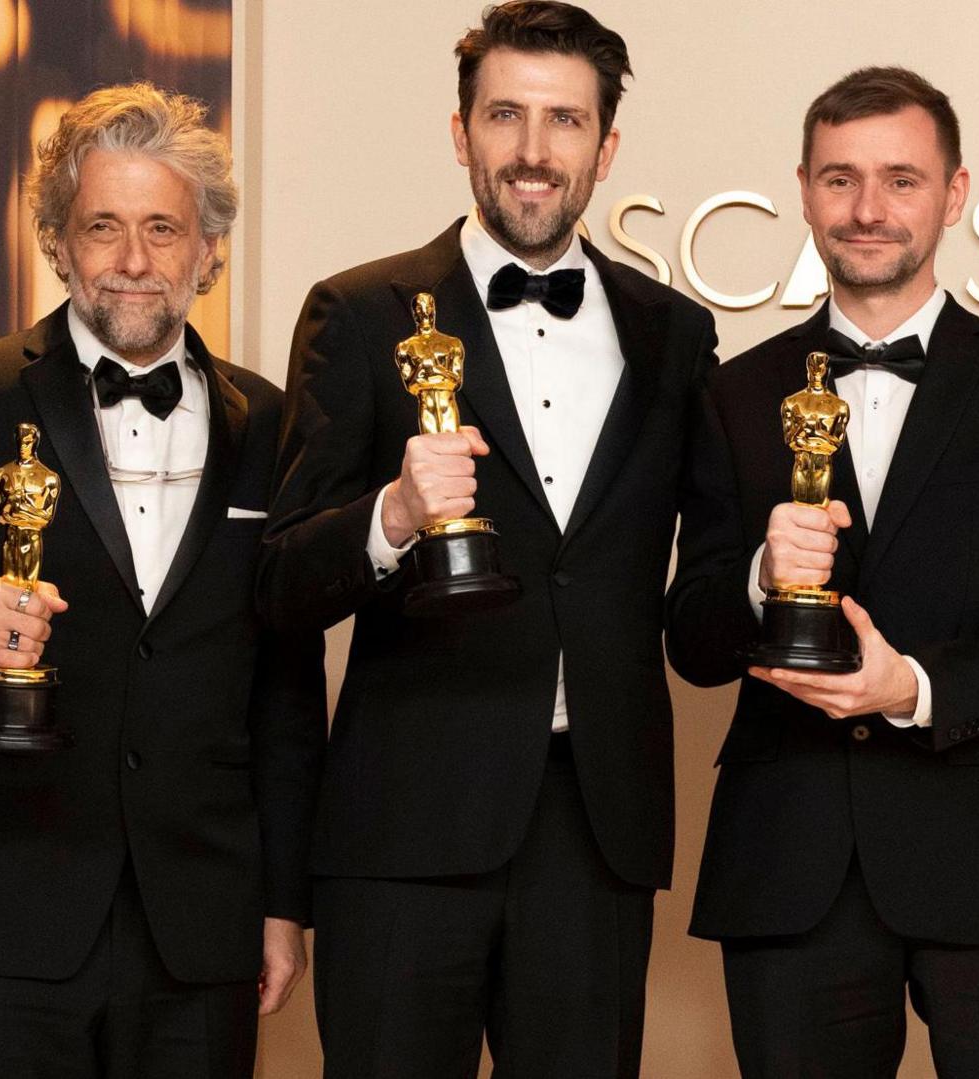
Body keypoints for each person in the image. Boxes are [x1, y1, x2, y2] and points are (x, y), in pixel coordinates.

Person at [257, 3, 717, 1074]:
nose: (531, 150)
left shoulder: (675, 333)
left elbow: (701, 570)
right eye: (505, 114)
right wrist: (392, 517)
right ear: (460, 133)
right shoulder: (360, 312)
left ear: (606, 148)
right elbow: (279, 578)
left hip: (595, 825)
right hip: (404, 823)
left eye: (563, 121)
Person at [0, 82, 325, 1077]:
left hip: (197, 923)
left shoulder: (268, 421)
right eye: (103, 227)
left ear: (209, 247)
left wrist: (281, 902)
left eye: (162, 227)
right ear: (58, 242)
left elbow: (282, 681)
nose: (135, 261)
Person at [666, 66, 979, 1078]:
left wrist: (912, 687)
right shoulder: (733, 393)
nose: (868, 210)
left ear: (955, 194)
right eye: (840, 179)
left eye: (902, 180)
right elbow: (690, 638)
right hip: (788, 856)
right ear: (804, 189)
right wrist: (755, 580)